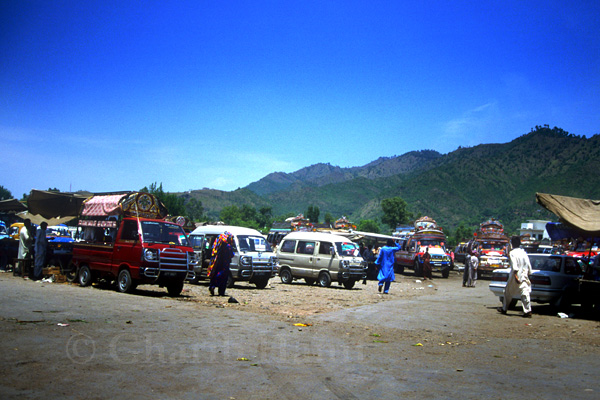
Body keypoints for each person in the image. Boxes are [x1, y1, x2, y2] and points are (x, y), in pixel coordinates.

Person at [498, 236, 533, 318]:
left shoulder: (512, 253)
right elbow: (528, 265)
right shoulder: (524, 252)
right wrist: (529, 273)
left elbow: (514, 266)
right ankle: (528, 310)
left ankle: (504, 309)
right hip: (524, 274)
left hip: (515, 275)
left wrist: (516, 277)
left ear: (512, 244)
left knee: (508, 292)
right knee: (525, 292)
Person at [207, 232, 235, 296]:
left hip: (217, 263)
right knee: (223, 278)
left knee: (215, 275)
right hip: (225, 264)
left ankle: (212, 286)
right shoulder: (228, 246)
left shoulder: (217, 245)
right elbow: (231, 255)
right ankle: (221, 292)